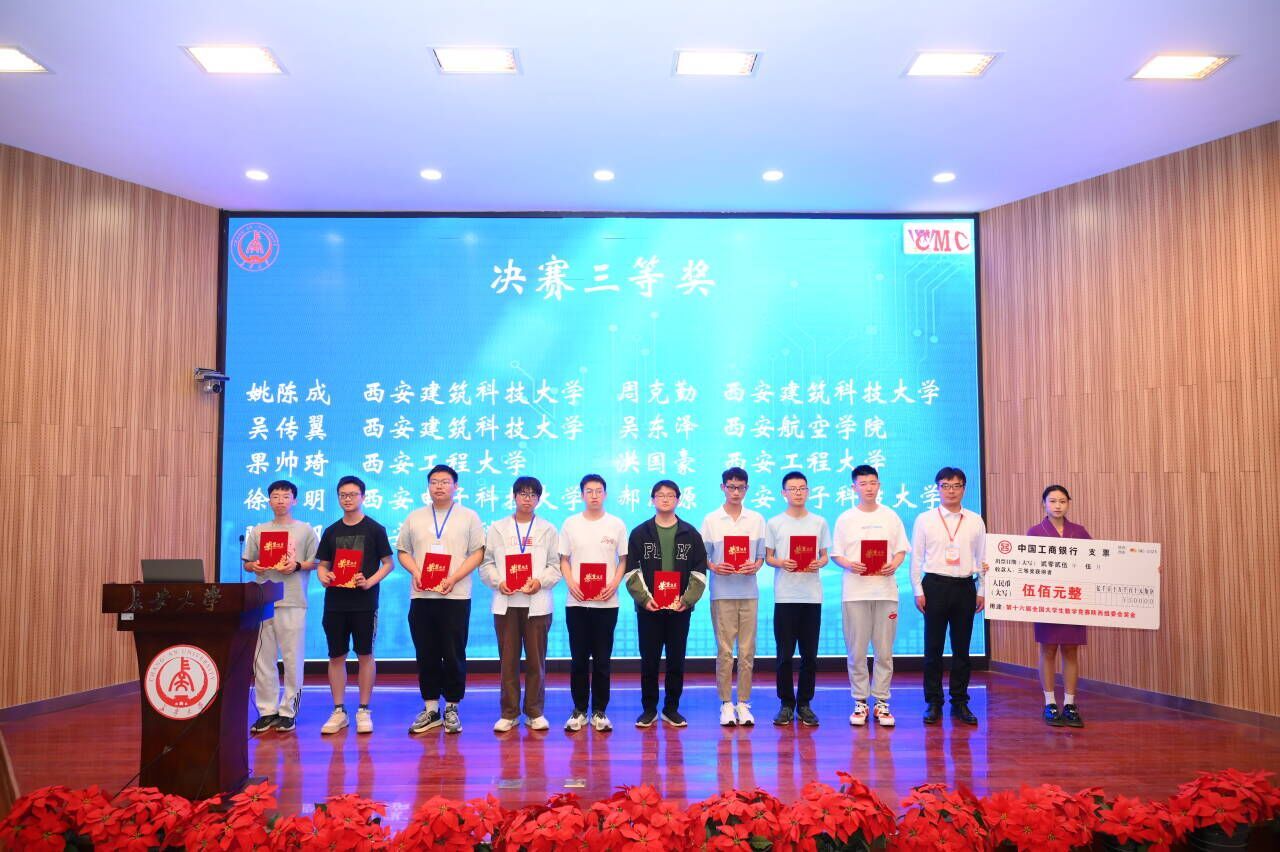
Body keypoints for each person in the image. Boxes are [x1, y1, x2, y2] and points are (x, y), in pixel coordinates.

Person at [397, 465, 486, 735]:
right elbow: (403, 551)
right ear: (428, 486)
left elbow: (478, 553)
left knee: (454, 651)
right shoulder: (415, 517)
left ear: (455, 486)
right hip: (422, 595)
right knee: (426, 652)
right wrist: (416, 571)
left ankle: (452, 707)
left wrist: (454, 577)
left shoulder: (469, 516)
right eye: (434, 482)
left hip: (455, 595)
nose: (439, 486)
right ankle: (431, 708)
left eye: (445, 482)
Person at [479, 476, 561, 732]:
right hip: (506, 603)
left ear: (539, 499)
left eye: (533, 495)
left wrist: (540, 581)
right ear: (514, 496)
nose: (528, 499)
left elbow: (555, 566)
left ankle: (535, 712)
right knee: (508, 662)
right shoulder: (497, 528)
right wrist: (498, 582)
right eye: (523, 494)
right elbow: (486, 563)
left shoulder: (548, 529)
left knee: (536, 661)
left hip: (537, 603)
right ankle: (509, 713)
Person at [624, 480, 708, 728]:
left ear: (678, 500)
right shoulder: (640, 533)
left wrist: (686, 600)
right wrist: (644, 599)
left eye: (670, 495)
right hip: (649, 609)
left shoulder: (690, 533)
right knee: (649, 660)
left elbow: (699, 571)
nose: (665, 499)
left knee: (676, 660)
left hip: (679, 609)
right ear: (652, 500)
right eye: (660, 495)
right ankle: (649, 709)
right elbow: (631, 571)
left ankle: (671, 709)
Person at [831, 465, 910, 729]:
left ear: (879, 485)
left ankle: (882, 701)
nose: (868, 487)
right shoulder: (845, 519)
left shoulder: (891, 516)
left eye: (873, 482)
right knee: (856, 650)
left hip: (886, 592)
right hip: (855, 593)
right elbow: (836, 554)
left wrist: (894, 564)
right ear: (854, 487)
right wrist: (850, 564)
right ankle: (860, 701)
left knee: (884, 651)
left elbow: (901, 550)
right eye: (863, 483)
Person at [315, 475, 394, 735]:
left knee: (365, 655)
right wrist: (323, 577)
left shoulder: (375, 529)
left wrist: (369, 581)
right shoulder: (331, 531)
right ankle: (339, 710)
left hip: (364, 603)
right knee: (336, 656)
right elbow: (323, 565)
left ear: (363, 497)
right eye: (343, 495)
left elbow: (388, 564)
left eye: (352, 494)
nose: (347, 499)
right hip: (335, 603)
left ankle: (363, 709)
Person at [242, 479, 319, 734]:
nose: (280, 501)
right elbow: (248, 563)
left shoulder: (305, 530)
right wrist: (254, 566)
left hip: (293, 600)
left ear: (294, 500)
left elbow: (316, 562)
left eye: (286, 496)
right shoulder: (259, 530)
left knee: (292, 659)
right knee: (263, 659)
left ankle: (288, 712)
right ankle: (267, 711)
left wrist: (296, 565)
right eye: (275, 496)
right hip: (264, 601)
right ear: (269, 500)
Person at [911, 467, 986, 726]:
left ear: (964, 488)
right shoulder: (925, 519)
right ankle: (933, 702)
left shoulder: (975, 520)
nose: (951, 491)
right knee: (933, 648)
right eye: (945, 485)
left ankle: (960, 701)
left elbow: (982, 558)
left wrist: (982, 590)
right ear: (938, 488)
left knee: (961, 649)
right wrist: (918, 590)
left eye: (956, 486)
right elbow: (916, 557)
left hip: (965, 587)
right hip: (934, 586)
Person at [558, 474, 628, 733]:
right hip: (576, 603)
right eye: (589, 491)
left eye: (599, 491)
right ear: (582, 495)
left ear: (605, 494)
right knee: (578, 659)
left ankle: (599, 711)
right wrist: (571, 584)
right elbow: (563, 559)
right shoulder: (570, 523)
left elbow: (623, 560)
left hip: (606, 603)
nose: (594, 495)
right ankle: (579, 710)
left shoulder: (616, 524)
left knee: (602, 660)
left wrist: (614, 585)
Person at [700, 467, 766, 727]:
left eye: (740, 487)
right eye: (731, 487)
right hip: (722, 593)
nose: (736, 492)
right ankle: (726, 703)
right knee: (725, 651)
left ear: (747, 489)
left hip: (749, 592)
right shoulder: (711, 520)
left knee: (747, 650)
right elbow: (703, 557)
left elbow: (761, 556)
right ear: (723, 488)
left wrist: (756, 565)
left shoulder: (756, 519)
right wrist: (715, 567)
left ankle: (744, 702)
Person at [765, 471, 831, 727]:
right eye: (792, 489)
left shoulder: (819, 522)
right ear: (784, 493)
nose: (798, 492)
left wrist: (819, 562)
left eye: (802, 488)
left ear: (808, 491)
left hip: (811, 596)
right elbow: (769, 558)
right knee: (784, 655)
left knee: (809, 655)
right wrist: (782, 562)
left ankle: (804, 704)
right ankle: (786, 703)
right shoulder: (775, 523)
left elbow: (825, 556)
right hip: (785, 596)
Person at [1028, 484, 1091, 729]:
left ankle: (1071, 704)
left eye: (1062, 501)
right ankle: (1050, 702)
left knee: (1071, 651)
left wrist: (1143, 568)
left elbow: (1101, 563)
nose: (1057, 506)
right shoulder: (1035, 532)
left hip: (1073, 600)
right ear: (1044, 504)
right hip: (1047, 599)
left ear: (1068, 504)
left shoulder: (1079, 532)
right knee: (1048, 649)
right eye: (1052, 501)